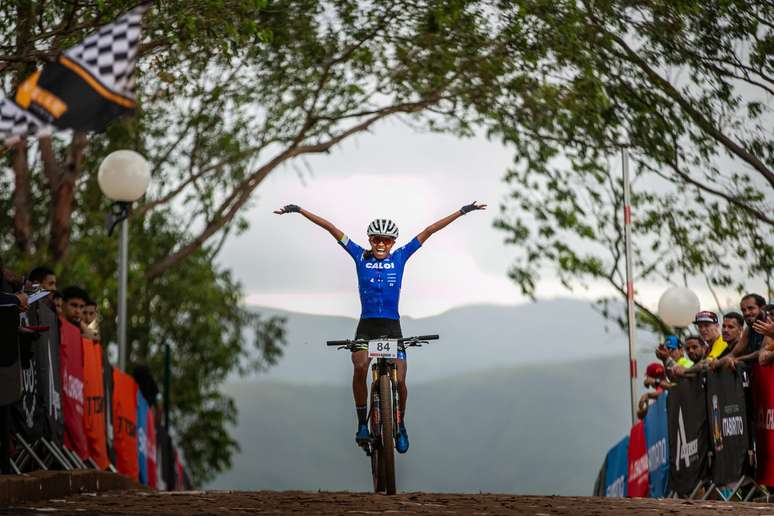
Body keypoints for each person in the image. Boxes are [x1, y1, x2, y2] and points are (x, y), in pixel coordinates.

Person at [274, 201, 487, 453]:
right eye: (376, 239)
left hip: (392, 327)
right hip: (367, 326)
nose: (381, 244)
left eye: (386, 240)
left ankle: (401, 424)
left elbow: (429, 230)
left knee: (401, 380)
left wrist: (462, 212)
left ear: (393, 243)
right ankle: (362, 424)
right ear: (370, 240)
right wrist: (299, 210)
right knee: (360, 365)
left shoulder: (400, 257)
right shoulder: (358, 254)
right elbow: (331, 228)